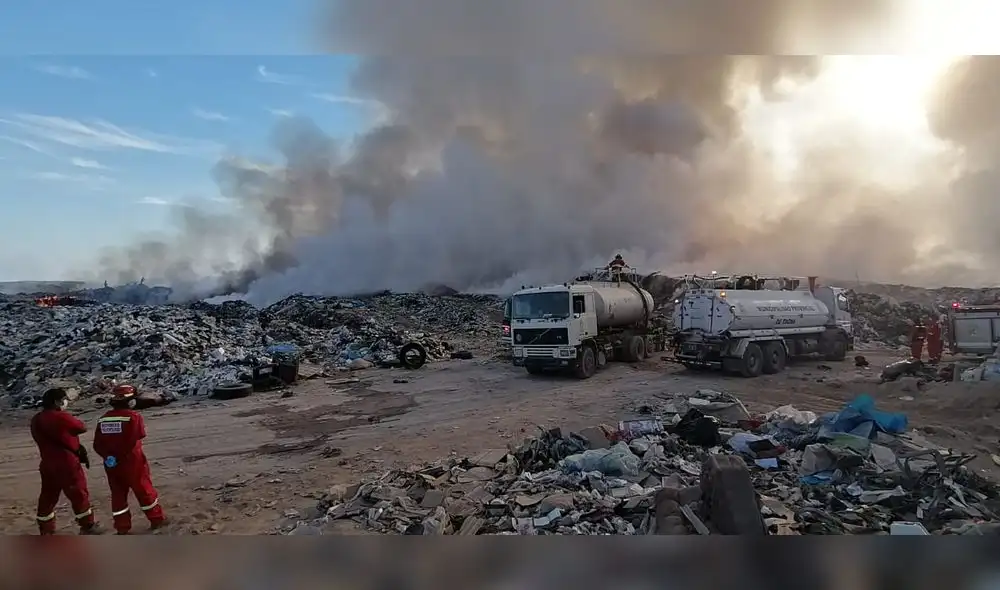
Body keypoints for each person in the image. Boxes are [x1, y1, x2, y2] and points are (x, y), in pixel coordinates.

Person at [92, 384, 167, 535]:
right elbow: (134, 439)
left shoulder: (103, 419)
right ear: (130, 401)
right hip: (132, 462)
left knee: (118, 495)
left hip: (111, 464)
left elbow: (97, 444)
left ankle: (122, 527)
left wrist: (109, 457)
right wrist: (121, 456)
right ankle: (156, 519)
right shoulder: (133, 417)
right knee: (144, 490)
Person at [30, 388, 101, 535]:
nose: (65, 402)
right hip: (67, 462)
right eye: (64, 400)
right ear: (57, 402)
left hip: (47, 463)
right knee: (78, 493)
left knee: (48, 496)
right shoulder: (61, 417)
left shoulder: (36, 419)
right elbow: (81, 427)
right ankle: (87, 525)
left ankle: (46, 529)